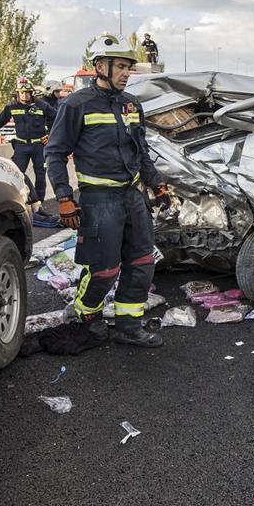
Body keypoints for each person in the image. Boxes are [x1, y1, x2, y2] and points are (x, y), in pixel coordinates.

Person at [46, 35, 171, 348]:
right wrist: (64, 198)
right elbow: (56, 153)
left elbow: (140, 149)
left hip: (132, 196)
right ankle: (88, 317)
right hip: (99, 199)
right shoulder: (75, 104)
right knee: (104, 269)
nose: (126, 72)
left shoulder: (131, 104)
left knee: (142, 262)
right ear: (100, 66)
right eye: (121, 66)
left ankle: (129, 325)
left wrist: (157, 184)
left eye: (129, 67)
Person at [0, 78, 56, 215]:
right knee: (16, 174)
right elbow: (0, 121)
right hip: (21, 147)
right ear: (18, 93)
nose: (24, 95)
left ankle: (39, 207)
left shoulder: (41, 105)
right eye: (21, 93)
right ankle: (19, 202)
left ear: (31, 93)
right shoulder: (12, 106)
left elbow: (56, 117)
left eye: (27, 92)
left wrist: (50, 134)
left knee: (40, 176)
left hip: (39, 146)